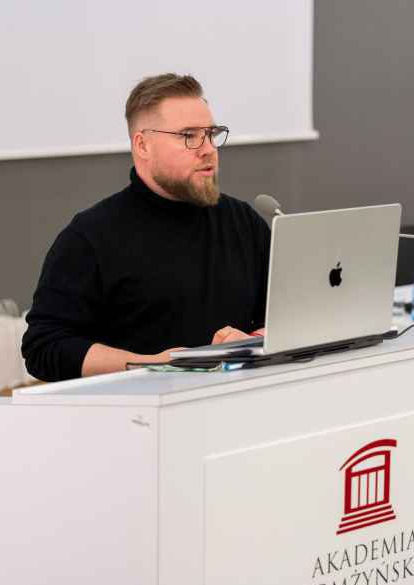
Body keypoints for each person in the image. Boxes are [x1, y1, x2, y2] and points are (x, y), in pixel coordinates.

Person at [22, 73, 270, 381]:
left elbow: (286, 318)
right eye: (189, 136)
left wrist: (252, 341)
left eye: (211, 134)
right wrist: (150, 364)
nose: (208, 149)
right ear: (143, 145)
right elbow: (43, 347)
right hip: (137, 405)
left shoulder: (242, 221)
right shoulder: (91, 237)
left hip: (237, 398)